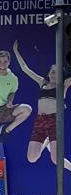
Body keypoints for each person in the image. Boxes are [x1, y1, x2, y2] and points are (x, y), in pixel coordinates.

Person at [13, 40, 71, 171]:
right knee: (32, 158)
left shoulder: (64, 85)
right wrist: (16, 51)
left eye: (56, 72)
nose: (53, 74)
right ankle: (47, 140)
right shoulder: (42, 82)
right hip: (40, 120)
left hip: (55, 120)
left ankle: (49, 140)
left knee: (56, 160)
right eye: (52, 72)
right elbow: (25, 69)